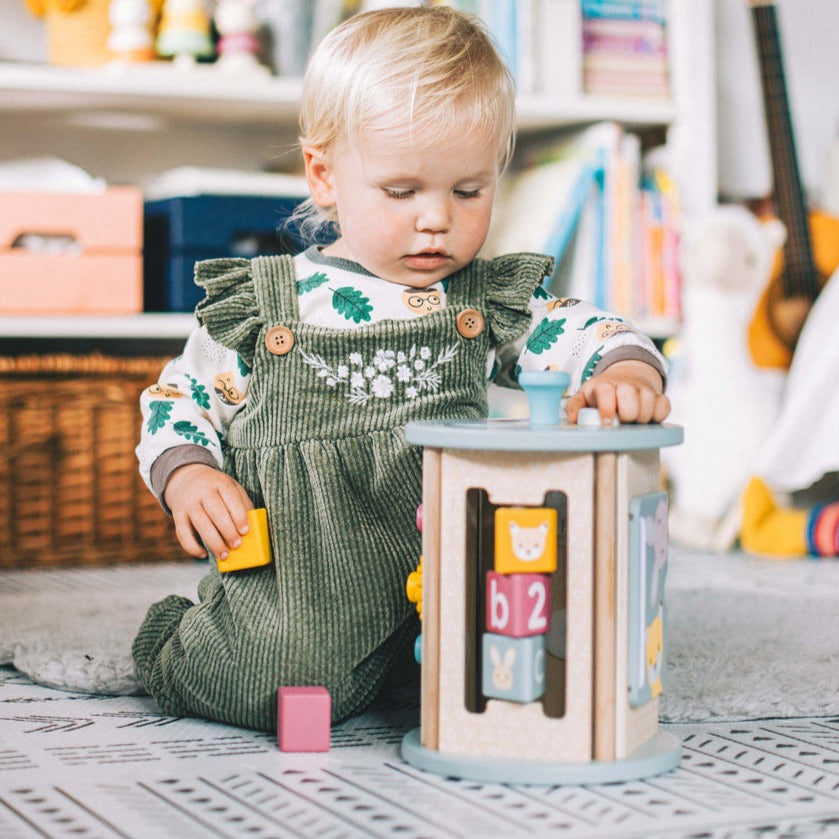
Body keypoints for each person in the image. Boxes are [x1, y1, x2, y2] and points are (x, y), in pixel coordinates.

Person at [133, 5, 670, 732]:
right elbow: (180, 395)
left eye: (468, 191)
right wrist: (190, 472)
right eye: (401, 190)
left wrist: (623, 368)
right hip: (310, 570)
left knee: (532, 659)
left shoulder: (480, 298)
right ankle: (174, 645)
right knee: (266, 675)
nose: (435, 219)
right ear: (323, 175)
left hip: (449, 549)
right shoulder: (269, 304)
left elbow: (573, 331)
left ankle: (414, 668)